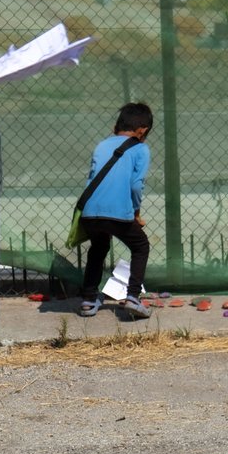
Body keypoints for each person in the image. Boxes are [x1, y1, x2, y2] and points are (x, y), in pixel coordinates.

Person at [77, 102, 154, 319]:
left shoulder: (102, 145)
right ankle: (133, 296)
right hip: (118, 213)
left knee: (98, 247)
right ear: (143, 130)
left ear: (115, 127)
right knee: (140, 246)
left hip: (90, 213)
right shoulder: (141, 148)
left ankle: (88, 300)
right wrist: (136, 213)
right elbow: (136, 185)